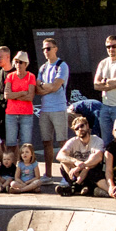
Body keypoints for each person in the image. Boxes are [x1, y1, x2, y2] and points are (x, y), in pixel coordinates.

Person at [35, 38, 71, 178]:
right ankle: (48, 175)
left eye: (48, 48)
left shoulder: (62, 66)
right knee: (46, 142)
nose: (46, 51)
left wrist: (45, 86)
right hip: (45, 109)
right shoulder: (42, 67)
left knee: (63, 142)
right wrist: (47, 87)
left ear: (55, 49)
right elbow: (37, 90)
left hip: (59, 108)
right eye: (44, 49)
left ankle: (66, 176)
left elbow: (56, 86)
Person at [55, 114, 108, 197]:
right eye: (77, 128)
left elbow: (98, 157)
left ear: (87, 126)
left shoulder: (96, 140)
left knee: (90, 164)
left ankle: (76, 187)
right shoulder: (72, 141)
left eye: (82, 126)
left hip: (91, 172)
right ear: (75, 132)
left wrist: (81, 166)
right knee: (64, 162)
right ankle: (77, 186)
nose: (80, 129)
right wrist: (75, 161)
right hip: (76, 174)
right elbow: (59, 156)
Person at [0, 52, 37, 155]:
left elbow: (30, 97)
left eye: (21, 62)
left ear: (26, 64)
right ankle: (11, 168)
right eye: (16, 62)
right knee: (10, 143)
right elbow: (7, 95)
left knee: (26, 145)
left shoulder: (31, 76)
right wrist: (22, 93)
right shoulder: (10, 76)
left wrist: (14, 95)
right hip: (11, 114)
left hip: (26, 114)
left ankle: (26, 168)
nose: (18, 65)